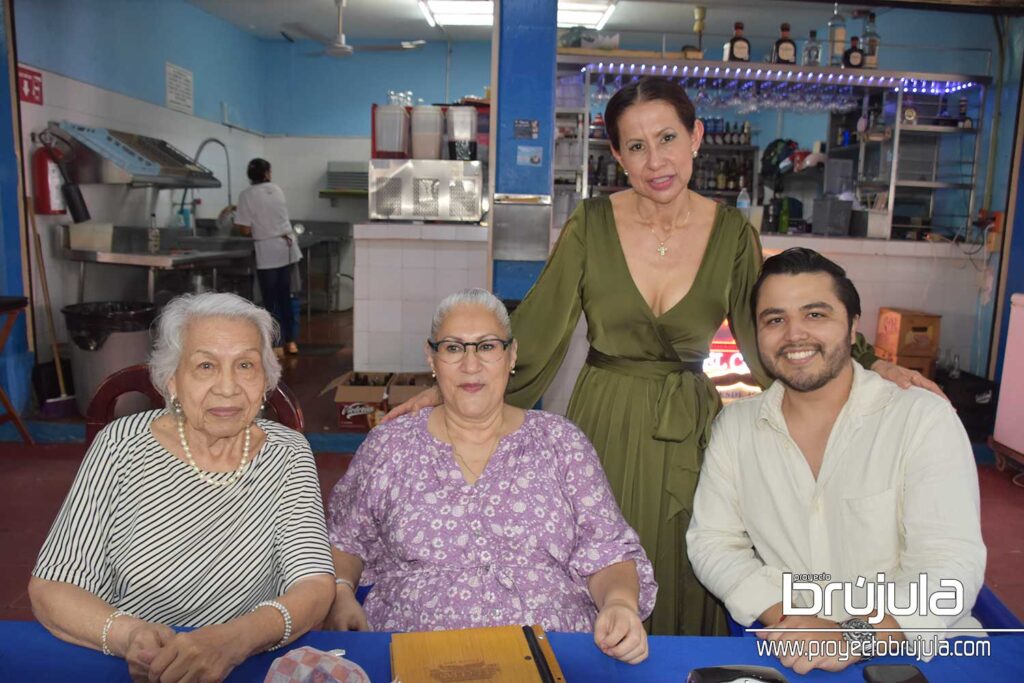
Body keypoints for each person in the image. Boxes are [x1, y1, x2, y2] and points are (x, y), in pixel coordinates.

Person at [386, 77, 942, 635]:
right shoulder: (591, 224)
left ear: (696, 137)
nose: (656, 161)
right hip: (603, 419)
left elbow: (769, 332)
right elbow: (538, 324)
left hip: (687, 430)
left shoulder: (730, 233)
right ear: (619, 157)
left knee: (690, 559)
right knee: (597, 559)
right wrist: (449, 387)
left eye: (668, 138)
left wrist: (869, 365)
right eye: (636, 146)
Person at [687, 248, 985, 674]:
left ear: (852, 326)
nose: (794, 335)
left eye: (815, 315)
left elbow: (951, 565)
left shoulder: (920, 419)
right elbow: (713, 542)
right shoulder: (735, 428)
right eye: (775, 319)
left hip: (921, 658)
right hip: (798, 657)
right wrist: (789, 621)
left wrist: (854, 634)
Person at [326, 289, 657, 665]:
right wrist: (339, 591)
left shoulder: (561, 442)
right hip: (415, 652)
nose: (471, 365)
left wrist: (618, 603)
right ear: (431, 358)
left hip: (553, 653)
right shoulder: (390, 445)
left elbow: (608, 552)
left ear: (511, 355)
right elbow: (345, 540)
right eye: (453, 348)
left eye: (487, 347)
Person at [29, 292, 334, 683]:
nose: (228, 387)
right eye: (205, 365)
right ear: (172, 380)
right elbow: (53, 585)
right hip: (135, 666)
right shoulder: (121, 445)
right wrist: (130, 636)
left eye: (245, 365)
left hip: (247, 662)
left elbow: (313, 585)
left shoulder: (288, 454)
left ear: (266, 380)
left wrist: (234, 641)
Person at [235, 158, 302, 356]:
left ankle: (276, 344)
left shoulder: (246, 195)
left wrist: (236, 219)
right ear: (267, 173)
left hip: (267, 252)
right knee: (286, 298)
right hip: (286, 248)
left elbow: (245, 229)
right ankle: (291, 342)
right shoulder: (277, 190)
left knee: (270, 301)